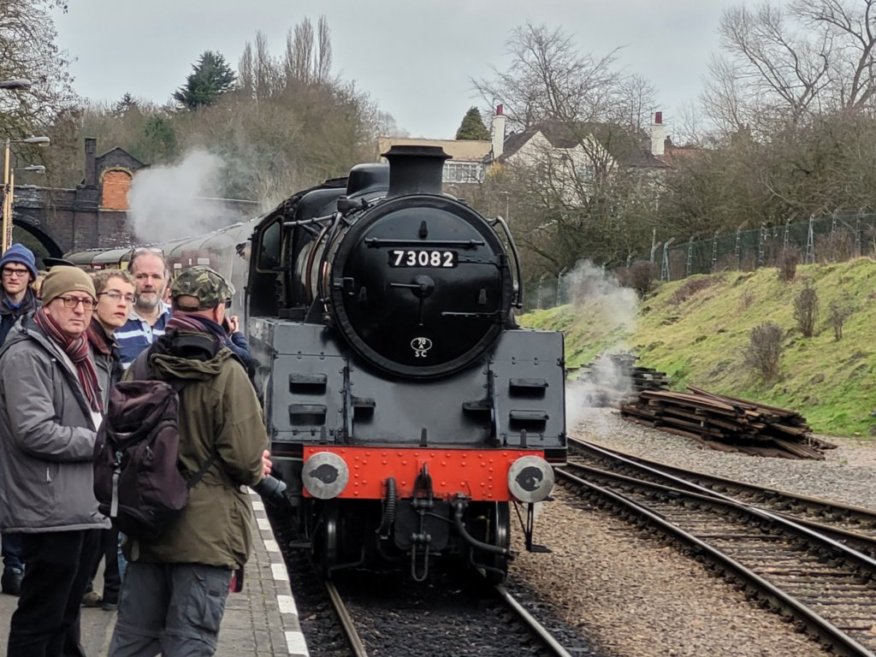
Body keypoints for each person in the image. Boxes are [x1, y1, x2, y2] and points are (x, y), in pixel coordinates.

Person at [109, 265, 271, 657]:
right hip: (207, 534)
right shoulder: (228, 371)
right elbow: (246, 459)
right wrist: (257, 466)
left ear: (173, 303)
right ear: (218, 312)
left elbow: (120, 431)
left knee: (134, 639)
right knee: (190, 644)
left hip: (148, 525)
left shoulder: (144, 363)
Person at [0, 265, 107, 656]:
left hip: (80, 502)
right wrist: (100, 442)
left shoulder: (78, 353)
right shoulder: (26, 355)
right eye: (71, 300)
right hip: (47, 505)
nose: (81, 309)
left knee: (64, 617)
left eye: (87, 302)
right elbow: (34, 431)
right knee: (40, 617)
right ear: (48, 303)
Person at [82, 270, 135, 612]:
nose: (123, 304)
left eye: (128, 297)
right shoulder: (87, 346)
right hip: (83, 468)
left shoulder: (106, 346)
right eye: (114, 295)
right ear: (95, 300)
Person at [0, 243, 40, 596]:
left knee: (14, 488)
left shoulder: (38, 316)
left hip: (21, 409)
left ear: (30, 277)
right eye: (8, 271)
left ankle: (14, 564)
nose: (13, 276)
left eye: (19, 271)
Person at [115, 248, 171, 368]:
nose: (149, 283)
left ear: (166, 281)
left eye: (156, 277)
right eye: (141, 276)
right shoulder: (114, 322)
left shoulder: (179, 320)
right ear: (129, 279)